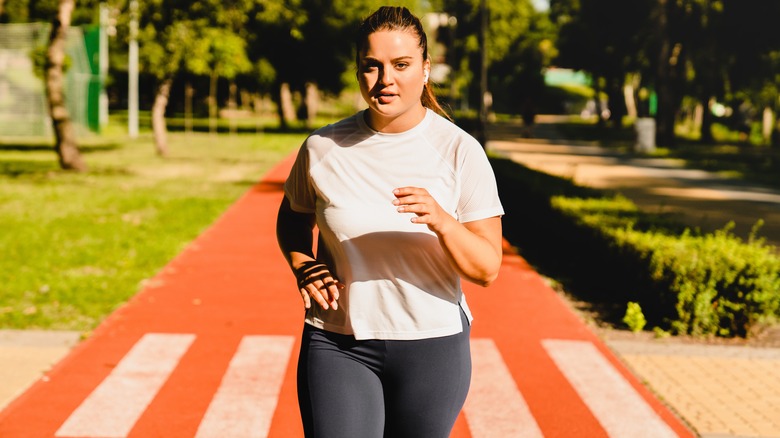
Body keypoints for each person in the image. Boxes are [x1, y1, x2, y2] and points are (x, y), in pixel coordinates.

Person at [276, 6, 504, 437]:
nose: (385, 80)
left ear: (425, 69)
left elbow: (487, 268)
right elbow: (292, 220)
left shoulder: (459, 150)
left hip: (431, 345)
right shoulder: (322, 147)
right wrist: (303, 264)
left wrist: (441, 220)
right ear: (359, 70)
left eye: (401, 65)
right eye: (372, 66)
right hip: (338, 342)